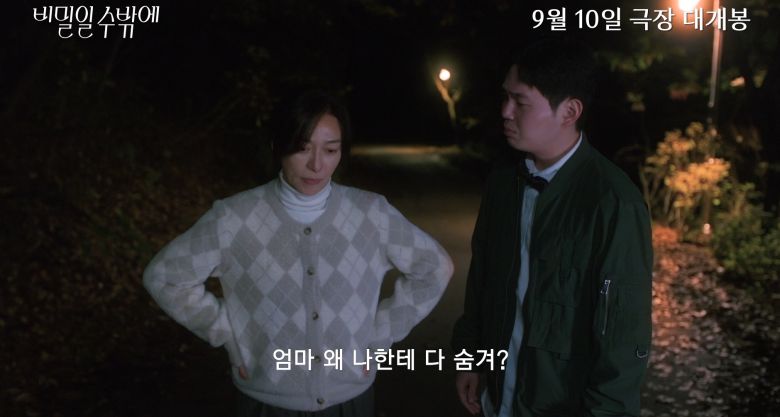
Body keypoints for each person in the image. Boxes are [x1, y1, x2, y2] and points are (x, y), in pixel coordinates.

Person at [143, 90, 453, 416]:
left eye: (330, 150)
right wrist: (227, 336)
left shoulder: (371, 214)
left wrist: (379, 338)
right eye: (302, 148)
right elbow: (165, 277)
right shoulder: (233, 218)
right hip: (266, 402)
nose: (317, 164)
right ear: (277, 145)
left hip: (349, 400)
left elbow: (435, 268)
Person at [451, 37, 653, 417]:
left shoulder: (612, 202)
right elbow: (481, 282)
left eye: (521, 101)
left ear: (569, 111)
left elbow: (624, 338)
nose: (505, 111)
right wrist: (469, 358)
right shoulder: (503, 184)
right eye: (505, 97)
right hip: (495, 399)